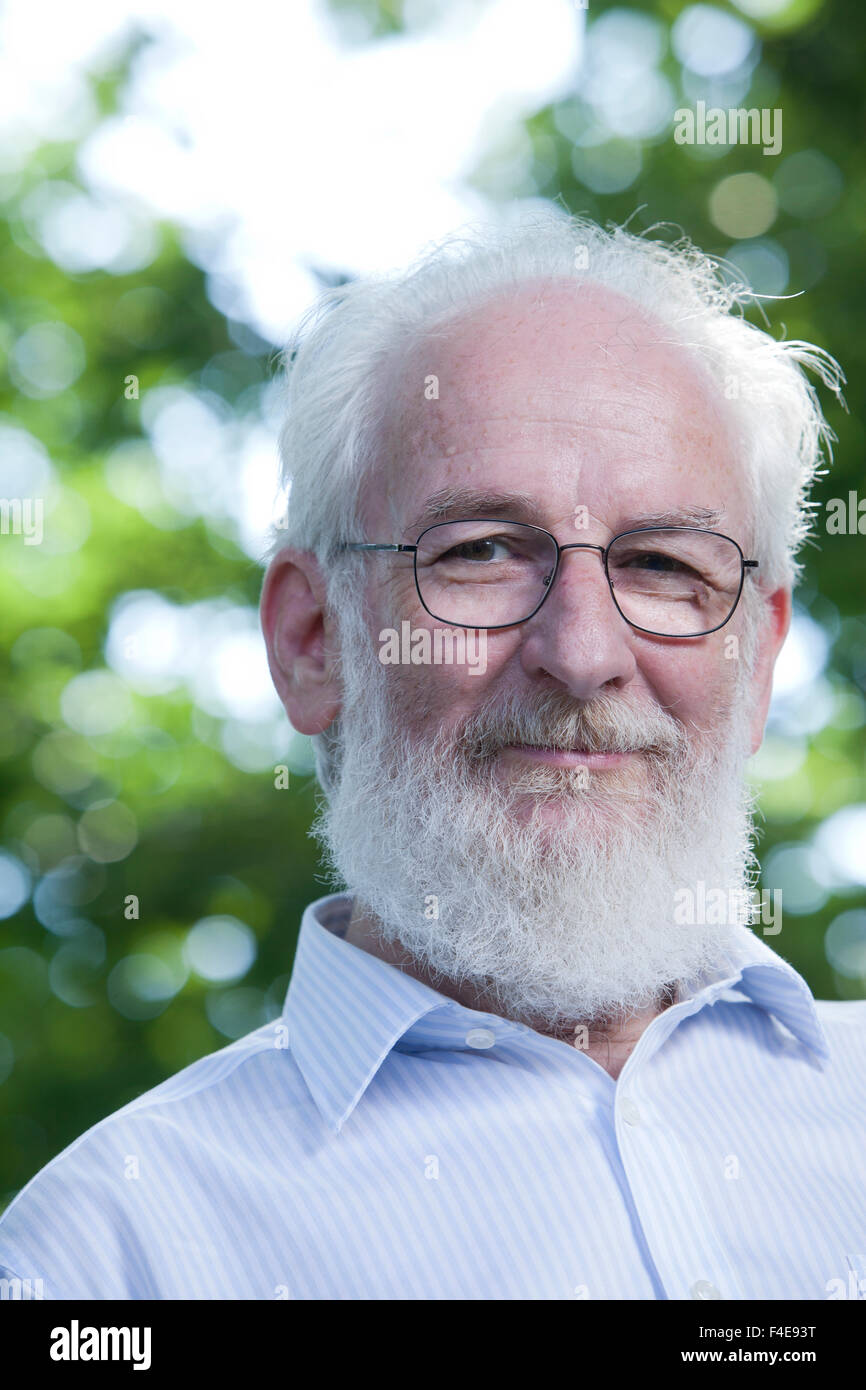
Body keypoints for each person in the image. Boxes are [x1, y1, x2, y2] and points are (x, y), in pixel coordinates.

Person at [1, 209, 863, 1301]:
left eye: (659, 564)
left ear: (755, 660)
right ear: (312, 641)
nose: (582, 652)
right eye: (483, 552)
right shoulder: (106, 1260)